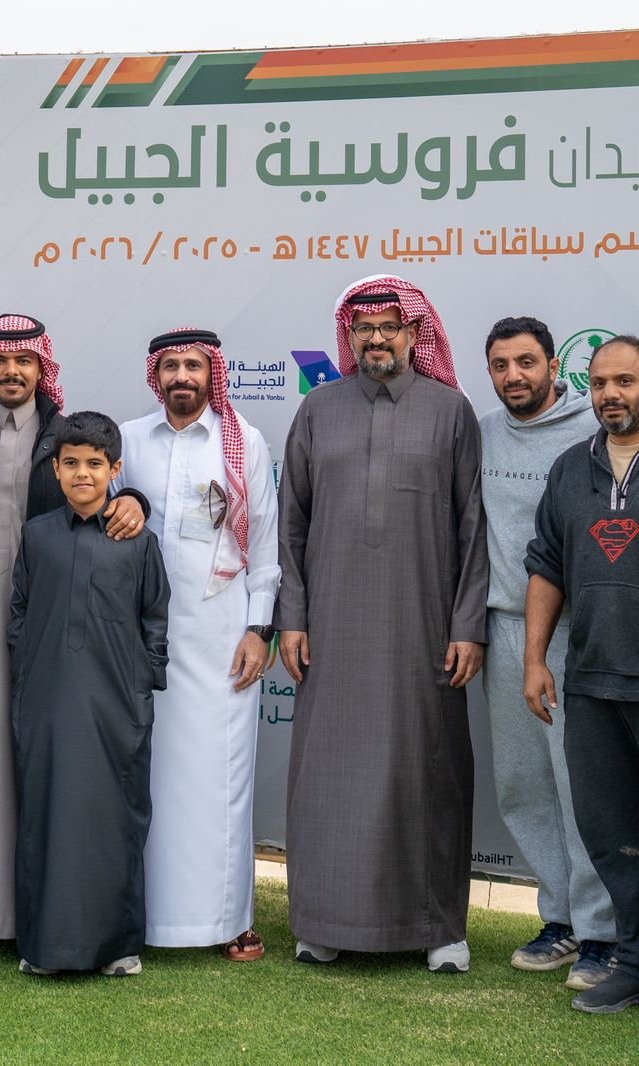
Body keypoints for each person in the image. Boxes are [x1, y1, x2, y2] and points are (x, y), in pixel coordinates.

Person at [0, 313, 147, 950]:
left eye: (23, 361)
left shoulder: (62, 438)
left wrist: (138, 500)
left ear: (42, 367)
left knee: (40, 754)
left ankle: (37, 901)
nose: (11, 372)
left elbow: (103, 496)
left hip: (49, 623)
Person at [277, 274, 487, 973]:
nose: (376, 338)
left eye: (388, 327)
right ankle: (324, 922)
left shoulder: (451, 411)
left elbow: (473, 528)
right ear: (350, 336)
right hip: (332, 627)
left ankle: (438, 928)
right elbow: (291, 523)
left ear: (412, 333)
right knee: (329, 769)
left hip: (426, 628)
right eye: (364, 328)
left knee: (428, 767)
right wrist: (293, 618)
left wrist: (467, 625)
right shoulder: (318, 409)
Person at [116, 327, 280, 960]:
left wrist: (258, 629)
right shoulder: (130, 440)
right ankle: (142, 917)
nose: (182, 376)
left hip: (222, 636)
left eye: (193, 365)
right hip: (141, 635)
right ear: (155, 375)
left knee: (221, 777)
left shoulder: (244, 442)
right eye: (171, 366)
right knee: (146, 774)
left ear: (212, 373)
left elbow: (263, 545)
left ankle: (227, 918)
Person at [478, 316, 614, 990]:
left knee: (581, 784)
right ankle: (559, 918)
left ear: (554, 366)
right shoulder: (482, 432)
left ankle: (602, 932)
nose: (514, 377)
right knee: (524, 786)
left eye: (526, 362)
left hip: (577, 634)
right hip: (504, 627)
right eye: (500, 365)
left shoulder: (595, 431)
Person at [9, 410, 170, 977]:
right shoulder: (37, 535)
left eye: (95, 464)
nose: (82, 473)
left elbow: (155, 619)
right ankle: (43, 948)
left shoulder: (138, 541)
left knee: (115, 818)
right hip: (47, 702)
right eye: (71, 463)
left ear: (114, 470)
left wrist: (140, 683)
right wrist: (28, 677)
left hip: (116, 707)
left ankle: (117, 947)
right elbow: (19, 613)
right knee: (46, 816)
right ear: (55, 469)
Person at [524, 334, 639, 1015]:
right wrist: (535, 658)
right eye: (599, 383)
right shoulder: (572, 468)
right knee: (609, 829)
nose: (610, 395)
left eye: (625, 381)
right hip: (591, 681)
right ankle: (633, 961)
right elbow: (546, 566)